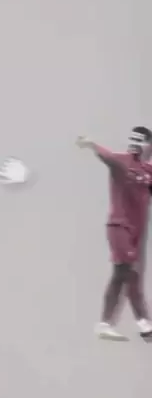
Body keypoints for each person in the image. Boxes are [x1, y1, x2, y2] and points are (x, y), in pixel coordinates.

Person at [77, 126, 152, 341]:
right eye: (133, 139)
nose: (135, 144)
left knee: (124, 274)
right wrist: (92, 144)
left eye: (141, 140)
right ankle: (140, 323)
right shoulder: (122, 161)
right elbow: (108, 157)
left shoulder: (148, 171)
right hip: (119, 227)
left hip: (136, 232)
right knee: (126, 273)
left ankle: (115, 324)